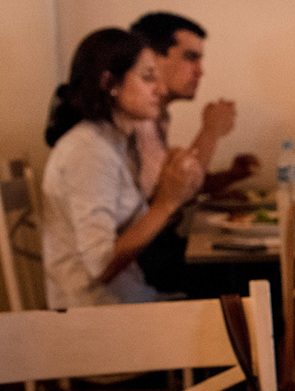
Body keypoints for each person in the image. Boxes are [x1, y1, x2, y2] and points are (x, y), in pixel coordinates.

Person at [41, 28, 204, 308]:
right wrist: (165, 203)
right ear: (110, 83)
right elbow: (100, 265)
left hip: (130, 299)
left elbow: (134, 229)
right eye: (148, 77)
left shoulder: (114, 142)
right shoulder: (89, 149)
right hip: (100, 317)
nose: (161, 89)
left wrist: (172, 185)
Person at [130, 12, 260, 198]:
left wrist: (229, 176)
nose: (200, 71)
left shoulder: (160, 114)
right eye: (191, 57)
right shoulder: (134, 116)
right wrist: (211, 131)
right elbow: (169, 198)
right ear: (151, 58)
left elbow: (170, 185)